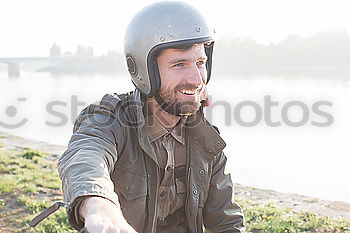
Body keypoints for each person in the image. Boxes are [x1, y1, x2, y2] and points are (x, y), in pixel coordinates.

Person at [58, 1, 244, 232]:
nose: (197, 79)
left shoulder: (205, 137)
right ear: (144, 71)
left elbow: (226, 221)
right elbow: (85, 155)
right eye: (179, 64)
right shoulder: (110, 118)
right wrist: (100, 207)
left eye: (200, 63)